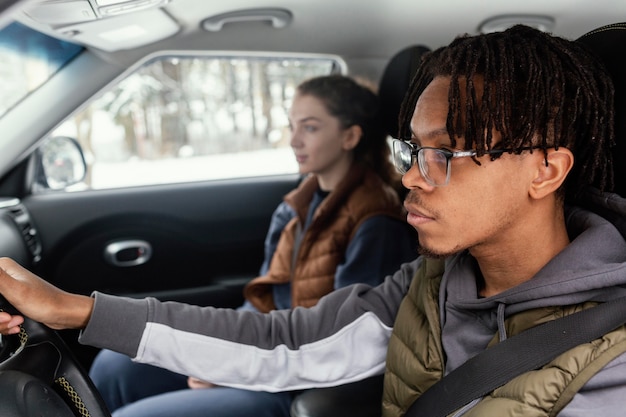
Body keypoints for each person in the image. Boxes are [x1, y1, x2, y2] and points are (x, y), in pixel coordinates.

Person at [1, 24, 626, 417]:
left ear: (545, 171)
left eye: (447, 154)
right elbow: (283, 342)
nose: (411, 176)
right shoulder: (428, 285)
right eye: (412, 150)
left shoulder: (612, 360)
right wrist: (70, 309)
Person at [86, 74, 417, 417]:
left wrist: (232, 368)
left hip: (298, 379)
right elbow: (264, 301)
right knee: (114, 367)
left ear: (350, 136)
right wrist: (219, 354)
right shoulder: (295, 207)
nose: (294, 140)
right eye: (291, 126)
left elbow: (346, 345)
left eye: (310, 128)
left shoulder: (375, 224)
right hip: (265, 347)